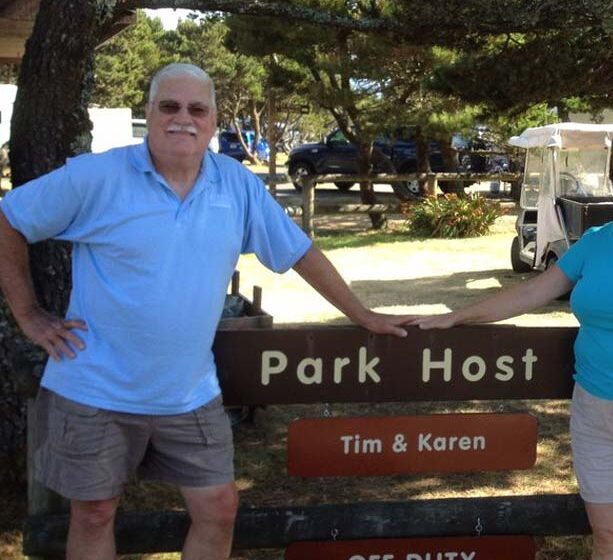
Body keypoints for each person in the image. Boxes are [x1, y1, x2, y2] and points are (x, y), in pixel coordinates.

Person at [0, 63, 409, 560]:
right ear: (148, 113)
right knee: (94, 514)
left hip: (189, 393)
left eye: (197, 109)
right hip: (94, 388)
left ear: (214, 120)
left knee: (218, 509)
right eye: (169, 106)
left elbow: (299, 251)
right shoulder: (98, 176)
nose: (182, 119)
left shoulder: (236, 185)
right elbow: (9, 219)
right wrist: (28, 313)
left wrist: (362, 314)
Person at [414, 129, 613, 559]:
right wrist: (458, 315)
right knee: (609, 536)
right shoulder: (595, 242)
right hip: (595, 410)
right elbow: (532, 292)